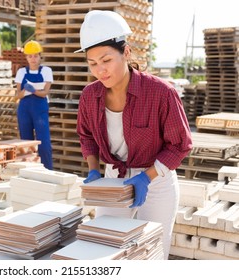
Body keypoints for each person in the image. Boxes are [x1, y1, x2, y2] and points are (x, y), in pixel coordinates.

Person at [76, 10, 192, 260]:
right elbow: (86, 136)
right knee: (104, 250)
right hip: (112, 180)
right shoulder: (89, 96)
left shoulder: (161, 93)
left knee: (153, 252)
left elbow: (180, 145)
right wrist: (94, 170)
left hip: (156, 181)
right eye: (93, 63)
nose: (100, 71)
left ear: (126, 52)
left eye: (106, 60)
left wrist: (146, 178)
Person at [15, 40, 54, 170]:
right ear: (26, 57)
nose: (33, 59)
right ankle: (29, 170)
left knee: (44, 141)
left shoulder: (46, 71)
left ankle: (47, 170)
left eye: (35, 56)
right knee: (26, 141)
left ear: (40, 56)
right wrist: (26, 90)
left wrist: (33, 90)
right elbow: (18, 95)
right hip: (24, 109)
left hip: (40, 108)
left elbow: (45, 93)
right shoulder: (21, 72)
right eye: (30, 56)